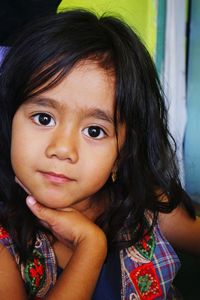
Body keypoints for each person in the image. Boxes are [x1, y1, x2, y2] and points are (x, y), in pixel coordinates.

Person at [0, 9, 199, 300]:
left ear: (123, 150)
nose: (63, 149)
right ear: (9, 121)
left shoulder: (148, 207)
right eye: (44, 118)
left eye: (94, 131)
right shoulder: (5, 245)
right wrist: (90, 248)